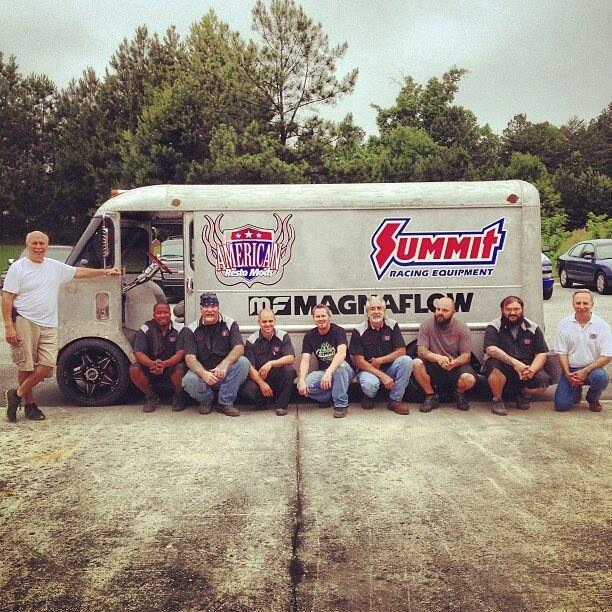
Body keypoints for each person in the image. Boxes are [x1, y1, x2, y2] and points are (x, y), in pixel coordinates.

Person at [2, 231, 121, 423]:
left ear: (46, 246)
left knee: (47, 366)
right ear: (27, 245)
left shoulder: (54, 267)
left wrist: (106, 272)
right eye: (35, 243)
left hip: (49, 324)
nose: (38, 247)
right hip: (25, 321)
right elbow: (7, 298)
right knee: (26, 365)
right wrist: (9, 326)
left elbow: (79, 272)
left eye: (42, 243)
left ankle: (16, 394)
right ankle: (30, 405)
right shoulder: (18, 268)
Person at [181, 292, 249, 417]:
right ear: (201, 309)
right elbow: (190, 358)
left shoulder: (230, 324)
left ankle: (225, 403)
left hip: (223, 371)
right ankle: (206, 400)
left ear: (218, 308)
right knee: (188, 381)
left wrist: (224, 365)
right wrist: (203, 373)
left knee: (243, 363)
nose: (210, 310)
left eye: (213, 306)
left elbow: (239, 348)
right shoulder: (190, 329)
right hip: (203, 372)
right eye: (206, 307)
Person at [482, 295, 551, 416]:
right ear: (502, 310)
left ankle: (523, 393)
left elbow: (542, 353)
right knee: (493, 367)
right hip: (504, 366)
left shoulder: (532, 328)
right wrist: (515, 363)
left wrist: (531, 370)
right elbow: (491, 349)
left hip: (525, 367)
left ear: (522, 310)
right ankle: (497, 400)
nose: (512, 313)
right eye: (508, 309)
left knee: (543, 381)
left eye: (516, 309)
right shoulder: (494, 326)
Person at [412, 296, 477, 412]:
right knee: (416, 363)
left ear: (453, 312)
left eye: (445, 310)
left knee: (469, 379)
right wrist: (437, 358)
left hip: (454, 365)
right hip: (433, 364)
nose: (440, 313)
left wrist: (454, 363)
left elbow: (466, 356)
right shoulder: (426, 325)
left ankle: (459, 393)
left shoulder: (462, 328)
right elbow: (421, 352)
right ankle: (430, 395)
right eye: (438, 309)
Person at [349, 295, 412, 415]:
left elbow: (401, 351)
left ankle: (395, 400)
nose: (376, 312)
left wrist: (381, 360)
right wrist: (382, 376)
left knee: (407, 361)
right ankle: (369, 396)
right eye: (372, 309)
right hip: (368, 370)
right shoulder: (359, 330)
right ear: (367, 313)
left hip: (389, 367)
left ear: (384, 311)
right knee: (370, 386)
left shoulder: (392, 325)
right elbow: (359, 361)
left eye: (379, 308)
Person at [554, 290, 612, 412]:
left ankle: (593, 398)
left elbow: (607, 356)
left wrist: (585, 371)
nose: (581, 307)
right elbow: (562, 353)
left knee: (601, 377)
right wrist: (567, 373)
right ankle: (575, 392)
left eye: (585, 303)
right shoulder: (563, 324)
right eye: (578, 303)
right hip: (571, 370)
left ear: (592, 304)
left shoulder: (602, 326)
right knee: (561, 406)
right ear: (572, 304)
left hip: (592, 369)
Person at [297, 304, 355, 418]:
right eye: (317, 316)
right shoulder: (309, 336)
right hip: (323, 371)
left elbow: (341, 353)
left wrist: (329, 372)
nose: (321, 319)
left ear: (329, 316)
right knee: (302, 386)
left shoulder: (338, 331)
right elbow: (305, 359)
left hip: (344, 370)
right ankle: (327, 397)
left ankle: (341, 404)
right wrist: (302, 379)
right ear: (313, 318)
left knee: (339, 367)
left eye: (323, 316)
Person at [129, 303, 186, 413]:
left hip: (171, 366)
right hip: (151, 366)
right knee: (134, 369)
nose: (162, 315)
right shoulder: (145, 328)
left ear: (170, 314)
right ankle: (151, 397)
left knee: (180, 369)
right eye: (159, 313)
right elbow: (138, 352)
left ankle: (178, 396)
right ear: (154, 315)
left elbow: (180, 353)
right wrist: (152, 364)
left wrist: (165, 364)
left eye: (165, 312)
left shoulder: (179, 329)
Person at [240, 309, 295, 416]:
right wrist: (262, 383)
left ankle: (281, 406)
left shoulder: (283, 336)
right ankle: (264, 402)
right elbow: (250, 367)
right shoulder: (251, 340)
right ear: (259, 322)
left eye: (270, 321)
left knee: (289, 370)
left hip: (277, 376)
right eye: (264, 322)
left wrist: (270, 363)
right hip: (260, 377)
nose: (268, 324)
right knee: (247, 389)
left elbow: (290, 357)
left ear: (275, 321)